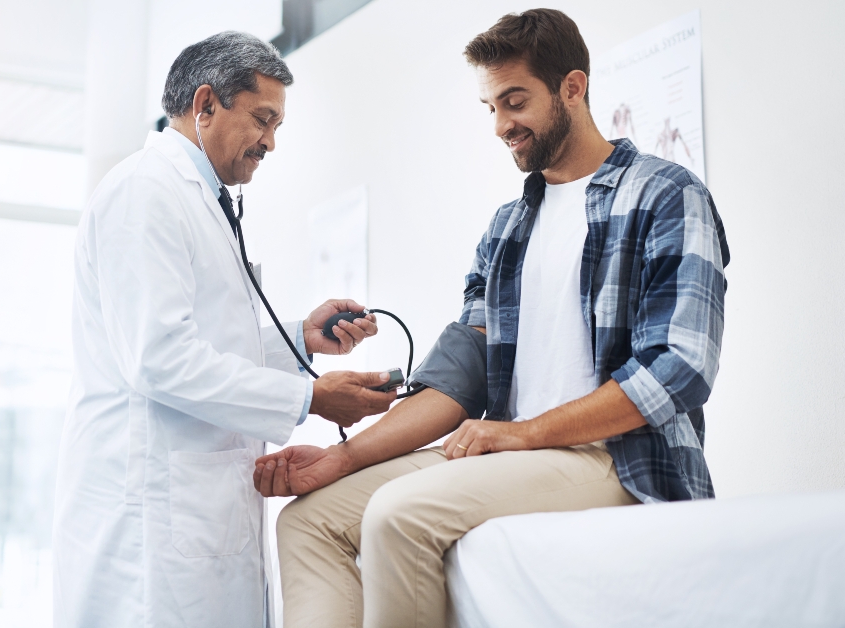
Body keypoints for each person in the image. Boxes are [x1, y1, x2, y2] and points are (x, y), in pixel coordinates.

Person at [253, 9, 730, 628]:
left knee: (398, 515)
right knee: (309, 521)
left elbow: (679, 370)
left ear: (573, 87)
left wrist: (525, 433)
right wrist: (343, 460)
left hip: (620, 458)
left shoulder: (665, 194)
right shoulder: (507, 229)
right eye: (491, 108)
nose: (503, 125)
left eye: (515, 101)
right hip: (515, 451)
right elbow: (459, 380)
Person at [52, 31, 398, 628]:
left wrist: (300, 338)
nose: (270, 142)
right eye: (263, 120)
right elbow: (159, 358)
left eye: (278, 126)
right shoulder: (145, 192)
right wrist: (313, 396)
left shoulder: (199, 199)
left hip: (196, 509)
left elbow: (206, 340)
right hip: (148, 523)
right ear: (205, 104)